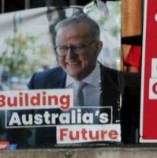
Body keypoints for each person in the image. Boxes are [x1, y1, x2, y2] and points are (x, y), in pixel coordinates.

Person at [24, 13, 121, 146]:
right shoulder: (40, 82)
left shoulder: (120, 82)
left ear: (98, 47)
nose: (69, 57)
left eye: (78, 47)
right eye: (62, 48)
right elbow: (17, 131)